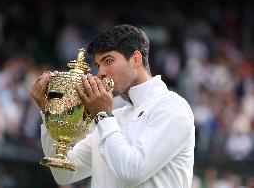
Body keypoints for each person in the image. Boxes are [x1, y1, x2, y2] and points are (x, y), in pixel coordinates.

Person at [30, 24, 195, 188]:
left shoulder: (172, 107)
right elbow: (64, 173)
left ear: (136, 59)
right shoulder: (114, 117)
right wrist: (50, 113)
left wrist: (103, 116)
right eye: (98, 65)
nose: (100, 72)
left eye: (108, 60)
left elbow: (132, 172)